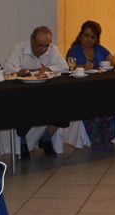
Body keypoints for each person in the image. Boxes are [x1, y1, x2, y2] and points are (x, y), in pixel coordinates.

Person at [5, 25, 70, 158]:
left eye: (47, 45)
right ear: (32, 40)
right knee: (21, 108)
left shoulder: (52, 49)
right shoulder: (19, 48)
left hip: (47, 92)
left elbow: (64, 67)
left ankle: (46, 137)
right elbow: (8, 69)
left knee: (65, 103)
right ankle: (23, 142)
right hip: (24, 93)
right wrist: (32, 72)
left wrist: (47, 70)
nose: (44, 49)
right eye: (41, 45)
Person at [66, 21, 115, 149]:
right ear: (80, 35)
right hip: (81, 89)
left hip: (100, 87)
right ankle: (96, 139)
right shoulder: (74, 50)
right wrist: (82, 66)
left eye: (93, 37)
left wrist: (107, 65)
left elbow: (113, 62)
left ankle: (107, 136)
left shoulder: (99, 49)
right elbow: (69, 67)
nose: (89, 39)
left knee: (110, 101)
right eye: (86, 35)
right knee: (91, 103)